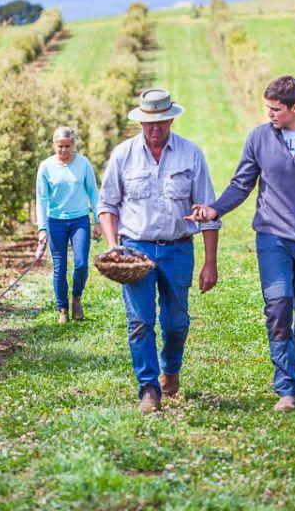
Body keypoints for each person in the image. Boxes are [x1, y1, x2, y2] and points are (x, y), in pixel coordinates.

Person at [187, 75, 295, 413]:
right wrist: (214, 208)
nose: (270, 115)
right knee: (278, 309)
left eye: (276, 109)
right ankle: (286, 388)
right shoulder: (260, 138)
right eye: (267, 108)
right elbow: (241, 184)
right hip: (272, 236)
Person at [98, 89, 221, 414]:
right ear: (141, 121)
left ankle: (171, 367)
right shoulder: (123, 155)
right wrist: (114, 247)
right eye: (149, 122)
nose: (156, 128)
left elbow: (208, 212)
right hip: (135, 249)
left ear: (171, 119)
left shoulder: (191, 155)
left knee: (176, 323)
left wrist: (210, 263)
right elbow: (107, 206)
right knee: (140, 322)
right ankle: (148, 389)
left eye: (161, 121)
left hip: (178, 248)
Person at [36, 126, 102, 324]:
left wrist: (98, 220)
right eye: (60, 146)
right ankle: (62, 308)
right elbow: (41, 199)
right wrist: (42, 228)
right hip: (55, 222)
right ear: (53, 145)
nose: (64, 150)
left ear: (74, 145)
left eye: (67, 146)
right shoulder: (46, 167)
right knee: (59, 267)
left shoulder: (83, 164)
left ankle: (76, 298)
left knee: (81, 264)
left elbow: (93, 192)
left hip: (80, 219)